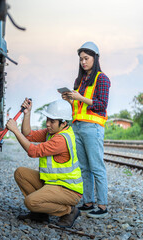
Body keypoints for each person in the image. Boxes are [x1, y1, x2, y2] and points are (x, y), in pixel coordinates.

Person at [6, 98, 83, 228]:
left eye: (52, 121)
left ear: (63, 123)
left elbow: (33, 151)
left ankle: (69, 211)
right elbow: (28, 134)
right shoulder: (52, 132)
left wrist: (15, 131)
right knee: (21, 173)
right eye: (47, 119)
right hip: (53, 183)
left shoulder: (61, 139)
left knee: (30, 202)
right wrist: (27, 113)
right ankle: (40, 214)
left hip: (68, 190)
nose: (47, 124)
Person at [60, 41, 110, 218]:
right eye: (81, 59)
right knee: (84, 168)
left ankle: (102, 206)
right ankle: (88, 203)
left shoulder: (101, 78)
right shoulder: (80, 81)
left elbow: (102, 104)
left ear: (95, 58)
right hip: (78, 126)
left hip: (93, 127)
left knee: (97, 167)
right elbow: (79, 105)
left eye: (86, 58)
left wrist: (80, 96)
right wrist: (70, 99)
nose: (83, 62)